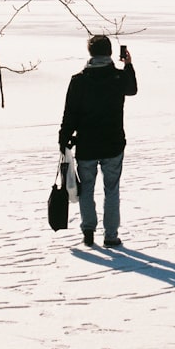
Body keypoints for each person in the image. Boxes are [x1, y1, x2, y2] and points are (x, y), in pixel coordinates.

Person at [59, 34, 138, 247]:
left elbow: (70, 113)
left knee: (86, 189)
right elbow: (132, 90)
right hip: (113, 143)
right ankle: (111, 236)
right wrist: (128, 66)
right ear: (110, 52)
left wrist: (64, 138)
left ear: (90, 53)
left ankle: (88, 232)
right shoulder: (118, 78)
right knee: (111, 189)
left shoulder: (79, 80)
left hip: (87, 144)